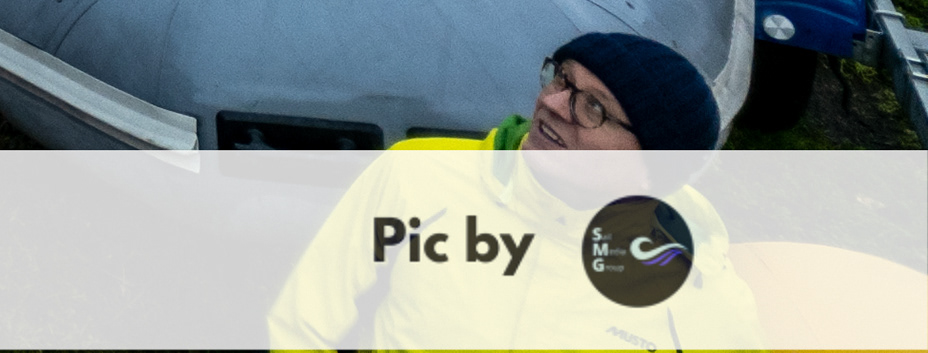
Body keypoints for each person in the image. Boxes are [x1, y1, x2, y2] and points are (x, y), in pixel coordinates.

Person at [267, 35, 757, 349]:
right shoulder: (420, 174)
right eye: (561, 79)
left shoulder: (694, 276)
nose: (552, 105)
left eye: (593, 108)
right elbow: (299, 326)